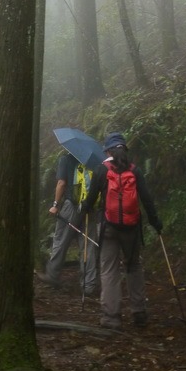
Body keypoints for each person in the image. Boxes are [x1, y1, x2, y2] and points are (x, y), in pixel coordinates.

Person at [79, 131, 163, 330]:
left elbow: (90, 200)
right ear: (124, 149)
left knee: (109, 270)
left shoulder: (101, 171)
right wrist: (155, 222)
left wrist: (82, 212)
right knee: (133, 266)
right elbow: (147, 199)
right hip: (131, 229)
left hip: (108, 227)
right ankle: (139, 312)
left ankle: (111, 317)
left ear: (107, 150)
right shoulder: (135, 171)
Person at [36, 149, 100, 295]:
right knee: (88, 246)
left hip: (71, 206)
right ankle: (88, 285)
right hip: (89, 208)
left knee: (61, 240)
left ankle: (52, 275)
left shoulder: (66, 159)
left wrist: (55, 204)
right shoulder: (91, 162)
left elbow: (61, 183)